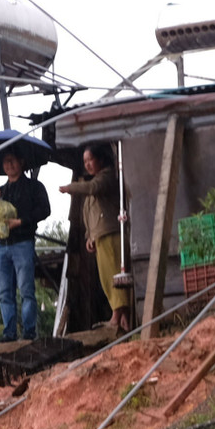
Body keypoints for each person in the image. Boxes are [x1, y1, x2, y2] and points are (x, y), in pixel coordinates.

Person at [60, 142, 131, 332]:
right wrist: (89, 236)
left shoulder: (107, 175)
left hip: (110, 231)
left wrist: (71, 187)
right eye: (85, 161)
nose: (88, 164)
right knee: (107, 277)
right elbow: (87, 215)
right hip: (99, 234)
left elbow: (92, 188)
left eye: (91, 159)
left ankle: (117, 315)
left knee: (115, 275)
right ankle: (121, 317)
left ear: (100, 159)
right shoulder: (94, 181)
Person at [0, 151, 50, 341]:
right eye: (5, 162)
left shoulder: (34, 186)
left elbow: (45, 209)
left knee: (26, 290)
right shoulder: (1, 191)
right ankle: (9, 332)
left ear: (21, 161)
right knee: (4, 292)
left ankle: (29, 332)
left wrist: (22, 221)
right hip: (2, 245)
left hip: (23, 242)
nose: (9, 165)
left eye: (12, 160)